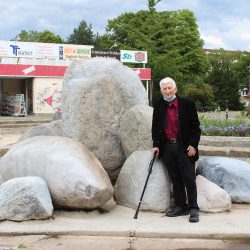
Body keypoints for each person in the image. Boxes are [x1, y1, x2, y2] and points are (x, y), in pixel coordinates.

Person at [151, 77, 201, 223]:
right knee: (175, 178)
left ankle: (193, 208)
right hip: (167, 147)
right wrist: (156, 144)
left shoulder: (187, 104)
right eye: (164, 89)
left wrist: (193, 145)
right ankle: (181, 206)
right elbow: (155, 127)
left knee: (189, 178)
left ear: (175, 88)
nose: (167, 91)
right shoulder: (159, 105)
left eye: (169, 88)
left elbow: (195, 127)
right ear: (161, 90)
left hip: (185, 147)